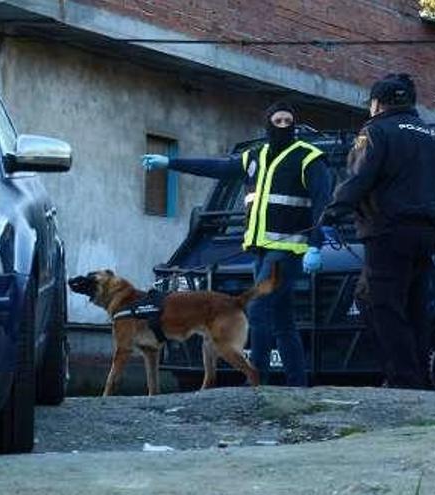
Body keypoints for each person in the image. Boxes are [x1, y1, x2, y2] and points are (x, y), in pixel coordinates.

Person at [141, 101, 332, 387]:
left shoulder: (308, 157)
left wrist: (316, 244)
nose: (282, 126)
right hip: (262, 251)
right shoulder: (255, 156)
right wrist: (171, 163)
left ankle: (257, 380)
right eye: (277, 121)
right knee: (282, 319)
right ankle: (297, 384)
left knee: (258, 309)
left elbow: (322, 203)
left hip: (288, 251)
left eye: (287, 121)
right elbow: (217, 168)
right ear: (267, 124)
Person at [321, 74, 435, 389]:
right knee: (414, 306)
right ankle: (418, 375)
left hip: (387, 232)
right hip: (425, 235)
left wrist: (331, 211)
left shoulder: (376, 131)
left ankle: (403, 378)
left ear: (377, 104)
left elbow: (359, 177)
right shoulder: (432, 139)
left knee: (376, 303)